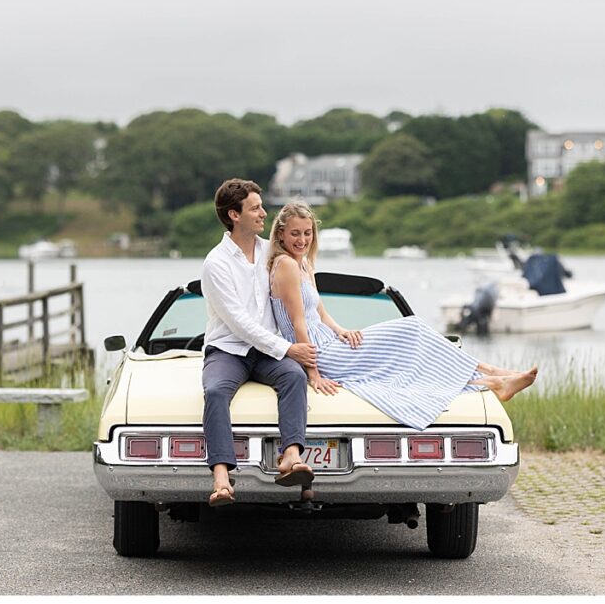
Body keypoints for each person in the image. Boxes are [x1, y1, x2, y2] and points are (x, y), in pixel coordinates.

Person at [268, 200, 537, 431]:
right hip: (320, 353)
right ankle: (492, 371)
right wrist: (313, 373)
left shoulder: (304, 263)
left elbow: (320, 311)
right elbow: (298, 322)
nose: (302, 240)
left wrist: (341, 330)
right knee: (413, 329)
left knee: (414, 367)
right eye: (295, 234)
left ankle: (494, 381)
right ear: (280, 234)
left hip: (330, 341)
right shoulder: (286, 266)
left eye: (307, 233)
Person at [201, 179, 319, 507]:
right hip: (228, 350)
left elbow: (306, 291)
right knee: (214, 392)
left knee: (294, 376)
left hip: (267, 352)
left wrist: (328, 330)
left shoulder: (273, 251)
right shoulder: (216, 263)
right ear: (233, 215)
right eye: (255, 208)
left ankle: (291, 457)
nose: (264, 213)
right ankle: (222, 478)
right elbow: (239, 323)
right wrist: (288, 349)